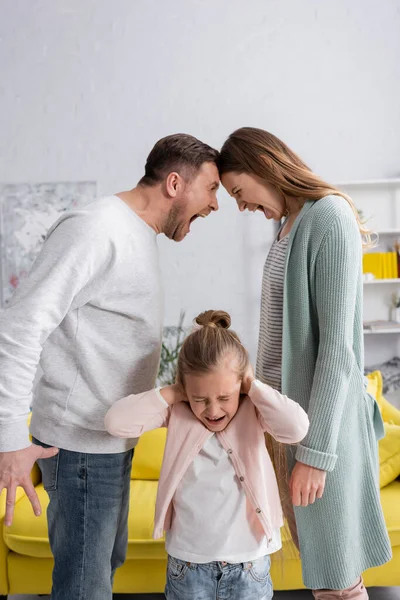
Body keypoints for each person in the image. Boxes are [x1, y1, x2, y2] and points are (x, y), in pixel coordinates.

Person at [0, 133, 220, 600]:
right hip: (79, 450)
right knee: (86, 588)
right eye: (212, 188)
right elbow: (19, 327)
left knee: (100, 574)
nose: (216, 204)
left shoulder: (136, 233)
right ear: (176, 184)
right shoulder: (95, 229)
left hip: (108, 445)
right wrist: (10, 439)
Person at [218, 127, 392, 599]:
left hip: (322, 433)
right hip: (288, 426)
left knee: (338, 579)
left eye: (238, 192)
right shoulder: (287, 226)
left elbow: (338, 353)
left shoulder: (328, 217)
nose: (241, 206)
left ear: (264, 166)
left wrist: (315, 455)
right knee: (321, 576)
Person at [105, 309, 309, 600]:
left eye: (224, 398)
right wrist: (175, 393)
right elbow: (116, 422)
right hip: (188, 567)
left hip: (249, 564)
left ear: (241, 385)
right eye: (200, 399)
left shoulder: (254, 410)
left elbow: (297, 428)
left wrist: (254, 388)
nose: (213, 411)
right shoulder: (177, 411)